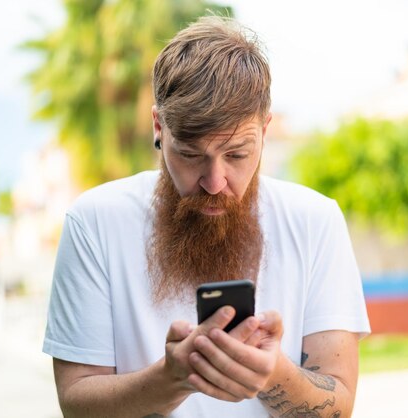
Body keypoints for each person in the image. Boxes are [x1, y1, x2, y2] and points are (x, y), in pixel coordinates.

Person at [43, 16, 370, 418]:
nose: (215, 182)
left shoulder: (316, 221)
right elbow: (76, 404)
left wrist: (273, 375)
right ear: (159, 126)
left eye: (236, 154)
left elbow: (339, 405)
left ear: (265, 131)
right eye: (191, 154)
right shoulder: (94, 222)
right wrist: (172, 378)